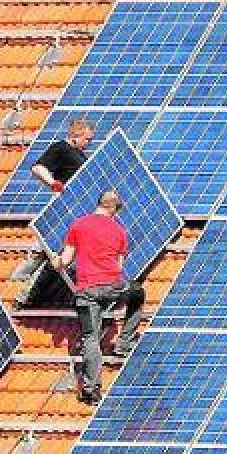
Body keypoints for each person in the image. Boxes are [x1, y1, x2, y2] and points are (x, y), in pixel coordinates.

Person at [55, 190, 145, 404]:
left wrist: (56, 263)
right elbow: (119, 268)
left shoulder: (78, 225)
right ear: (113, 208)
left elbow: (65, 260)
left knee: (91, 338)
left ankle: (91, 390)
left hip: (87, 291)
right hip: (113, 287)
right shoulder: (120, 231)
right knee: (137, 292)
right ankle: (124, 343)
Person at [13, 118, 95, 310]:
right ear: (75, 136)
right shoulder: (60, 148)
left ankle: (41, 292)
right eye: (87, 139)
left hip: (77, 211)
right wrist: (53, 183)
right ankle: (27, 294)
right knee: (54, 253)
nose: (89, 143)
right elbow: (38, 168)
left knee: (62, 254)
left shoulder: (81, 155)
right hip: (65, 210)